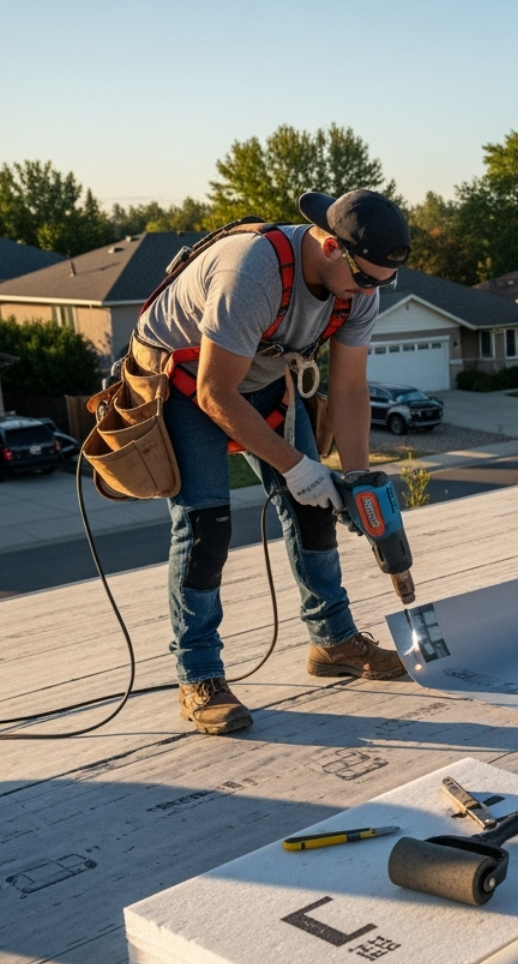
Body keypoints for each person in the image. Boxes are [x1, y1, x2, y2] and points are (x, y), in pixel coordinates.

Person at [130, 189, 411, 735]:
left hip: (258, 376)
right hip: (184, 384)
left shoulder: (360, 287)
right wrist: (299, 467)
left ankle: (333, 641)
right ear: (331, 247)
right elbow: (214, 393)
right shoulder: (253, 271)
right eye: (364, 279)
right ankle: (199, 678)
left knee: (313, 510)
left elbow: (350, 385)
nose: (370, 292)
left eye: (381, 282)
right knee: (205, 526)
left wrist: (355, 479)